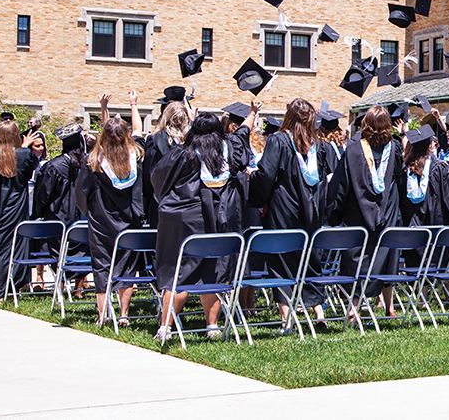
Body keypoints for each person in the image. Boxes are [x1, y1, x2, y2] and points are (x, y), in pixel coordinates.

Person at [153, 102, 256, 342]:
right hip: (220, 221)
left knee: (177, 273)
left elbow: (159, 177)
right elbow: (242, 133)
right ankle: (212, 326)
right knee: (213, 272)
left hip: (187, 223)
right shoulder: (229, 150)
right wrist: (252, 114)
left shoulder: (184, 153)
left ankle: (165, 328)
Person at [251, 98, 332, 325]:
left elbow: (266, 175)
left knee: (281, 261)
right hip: (312, 211)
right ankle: (319, 314)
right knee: (310, 260)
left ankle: (287, 319)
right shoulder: (318, 144)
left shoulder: (279, 140)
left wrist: (252, 177)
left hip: (284, 210)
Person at [75, 92, 146, 328]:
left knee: (102, 266)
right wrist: (133, 104)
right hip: (129, 221)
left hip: (101, 222)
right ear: (126, 136)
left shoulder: (94, 162)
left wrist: (88, 213)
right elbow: (138, 131)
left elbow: (81, 192)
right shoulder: (136, 156)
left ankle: (103, 315)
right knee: (126, 266)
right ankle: (124, 314)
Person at [327, 105, 403, 320]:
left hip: (358, 214)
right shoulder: (395, 148)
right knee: (384, 255)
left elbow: (340, 186)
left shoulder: (353, 150)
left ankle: (354, 307)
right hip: (387, 214)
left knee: (357, 259)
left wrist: (334, 214)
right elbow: (398, 179)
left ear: (365, 125)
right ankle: (389, 305)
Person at [0, 122, 40, 306]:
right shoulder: (24, 155)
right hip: (17, 208)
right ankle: (15, 286)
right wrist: (23, 147)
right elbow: (29, 171)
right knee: (16, 245)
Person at [142, 101, 192, 227]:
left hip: (161, 201)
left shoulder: (155, 139)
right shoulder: (192, 141)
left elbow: (148, 174)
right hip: (188, 201)